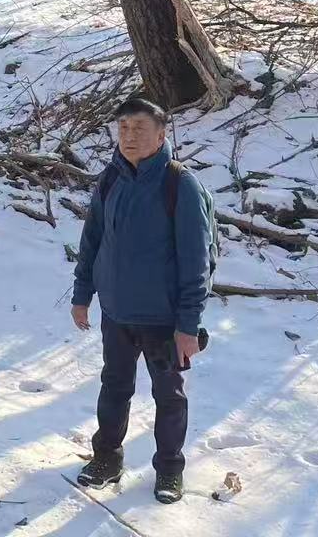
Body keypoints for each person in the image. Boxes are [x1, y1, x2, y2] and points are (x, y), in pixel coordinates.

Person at [69, 96, 215, 505]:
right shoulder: (111, 178)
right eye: (124, 128)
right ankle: (106, 460)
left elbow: (195, 259)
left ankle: (169, 470)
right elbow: (93, 239)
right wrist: (83, 294)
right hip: (116, 313)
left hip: (163, 320)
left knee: (169, 397)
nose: (130, 136)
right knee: (114, 387)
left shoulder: (178, 183)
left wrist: (188, 325)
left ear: (161, 134)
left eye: (139, 128)